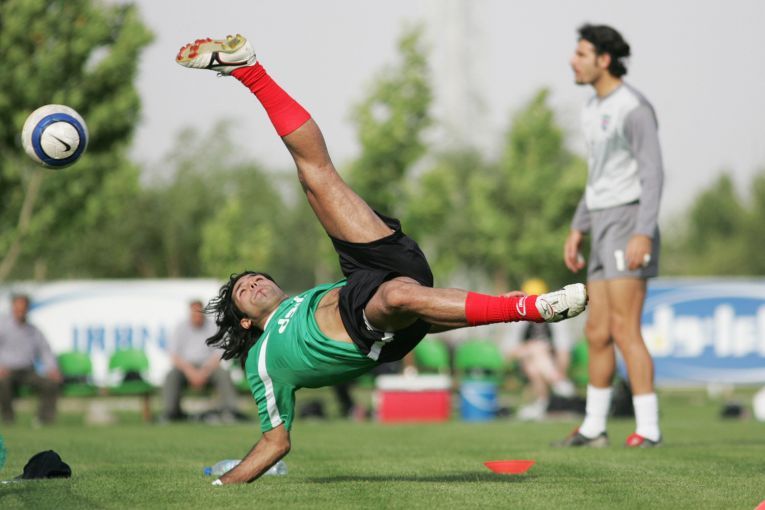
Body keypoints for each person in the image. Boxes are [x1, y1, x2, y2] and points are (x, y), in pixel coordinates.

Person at [175, 33, 588, 485]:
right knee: (396, 297)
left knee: (315, 177)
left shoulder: (299, 300)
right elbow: (276, 442)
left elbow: (422, 314)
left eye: (254, 277)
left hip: (364, 278)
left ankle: (248, 69)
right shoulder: (261, 363)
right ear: (244, 320)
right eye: (243, 289)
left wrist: (464, 312)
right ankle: (534, 307)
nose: (254, 282)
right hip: (366, 327)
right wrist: (224, 484)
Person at [556, 24, 664, 447]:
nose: (573, 60)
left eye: (581, 54)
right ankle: (593, 428)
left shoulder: (633, 107)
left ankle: (649, 429)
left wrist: (643, 232)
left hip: (628, 221)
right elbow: (597, 177)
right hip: (600, 223)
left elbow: (652, 173)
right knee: (596, 332)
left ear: (604, 60)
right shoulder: (590, 108)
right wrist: (578, 226)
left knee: (624, 328)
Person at [507, 279, 576, 421]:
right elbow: (509, 352)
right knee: (537, 347)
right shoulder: (517, 319)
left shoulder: (556, 317)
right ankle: (557, 382)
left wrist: (561, 371)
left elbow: (563, 350)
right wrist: (531, 347)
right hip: (524, 360)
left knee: (534, 368)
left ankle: (542, 403)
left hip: (548, 362)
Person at [162, 299, 240, 422]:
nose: (197, 316)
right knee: (171, 376)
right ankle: (171, 413)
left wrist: (204, 371)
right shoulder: (180, 327)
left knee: (223, 375)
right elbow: (174, 355)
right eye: (194, 313)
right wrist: (190, 372)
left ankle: (230, 411)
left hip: (208, 367)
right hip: (186, 368)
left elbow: (219, 353)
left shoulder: (213, 327)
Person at [0, 294, 61, 425]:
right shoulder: (2, 327)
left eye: (23, 308)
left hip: (27, 371)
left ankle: (43, 420)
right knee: (3, 382)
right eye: (18, 308)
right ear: (13, 308)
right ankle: (8, 419)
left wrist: (52, 369)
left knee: (50, 383)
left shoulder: (33, 330)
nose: (20, 312)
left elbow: (45, 350)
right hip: (7, 370)